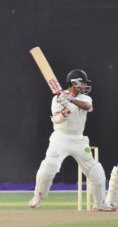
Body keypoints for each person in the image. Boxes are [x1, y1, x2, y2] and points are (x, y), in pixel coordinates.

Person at [29, 69, 111, 211]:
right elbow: (56, 119)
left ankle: (100, 203)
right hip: (61, 137)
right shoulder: (57, 99)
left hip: (78, 139)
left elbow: (88, 107)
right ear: (75, 82)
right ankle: (38, 196)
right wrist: (64, 112)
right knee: (49, 166)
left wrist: (70, 100)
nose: (85, 85)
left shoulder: (85, 98)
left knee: (95, 170)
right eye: (83, 82)